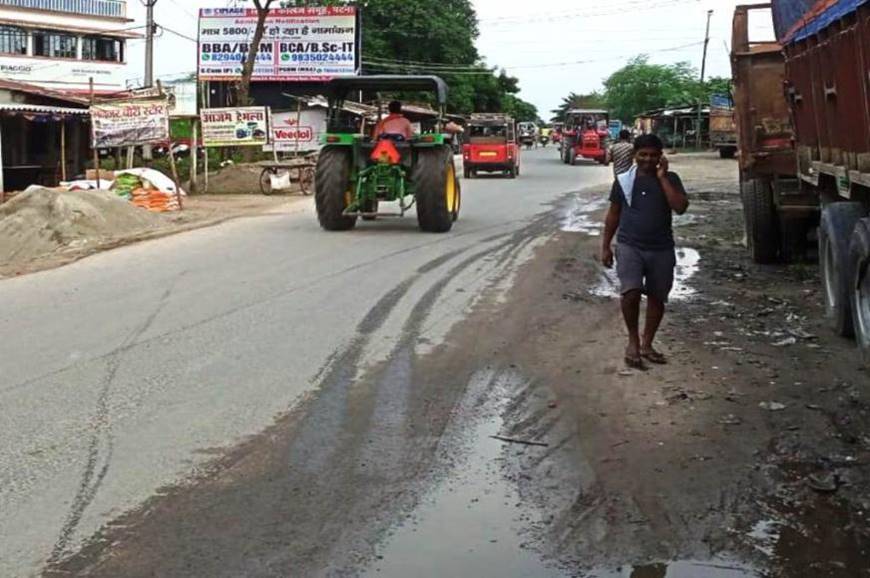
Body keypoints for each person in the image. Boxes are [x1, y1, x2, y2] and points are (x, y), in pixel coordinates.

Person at [600, 134, 689, 369]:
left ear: (661, 157)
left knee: (657, 297)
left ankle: (647, 344)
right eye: (643, 155)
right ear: (634, 155)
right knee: (631, 292)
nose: (648, 159)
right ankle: (633, 341)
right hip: (630, 246)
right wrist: (606, 246)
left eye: (653, 155)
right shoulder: (624, 182)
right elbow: (613, 214)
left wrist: (662, 178)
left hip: (661, 248)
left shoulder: (671, 179)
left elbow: (680, 207)